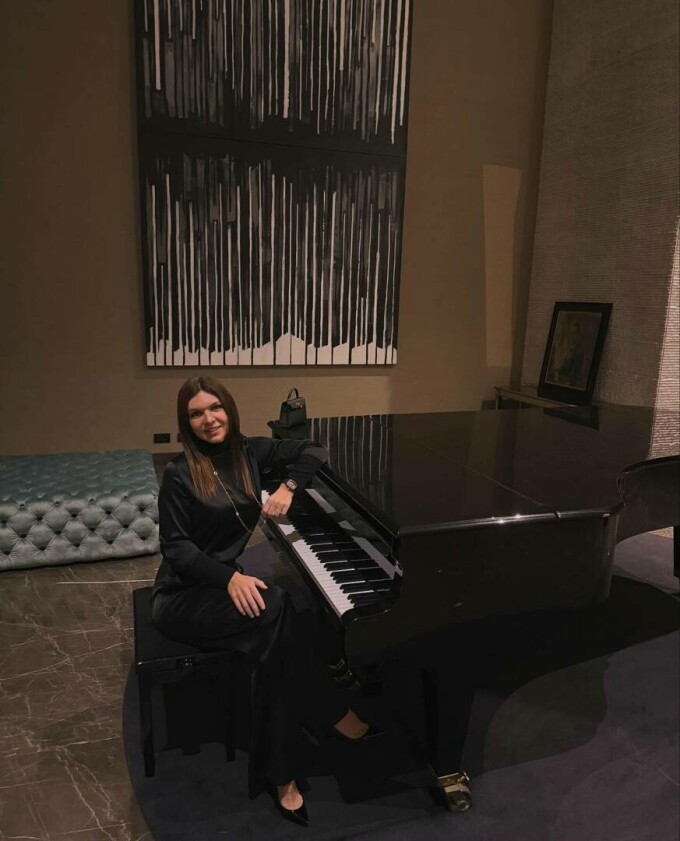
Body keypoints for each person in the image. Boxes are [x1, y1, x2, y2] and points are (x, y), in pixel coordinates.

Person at [151, 376, 375, 827]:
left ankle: (282, 773)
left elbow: (315, 449)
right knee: (278, 610)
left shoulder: (249, 452)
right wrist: (229, 578)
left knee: (276, 640)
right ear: (185, 422)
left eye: (215, 407)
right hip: (182, 595)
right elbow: (175, 548)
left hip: (223, 584)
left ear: (229, 409)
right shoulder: (179, 472)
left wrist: (289, 486)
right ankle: (332, 714)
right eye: (196, 413)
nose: (208, 419)